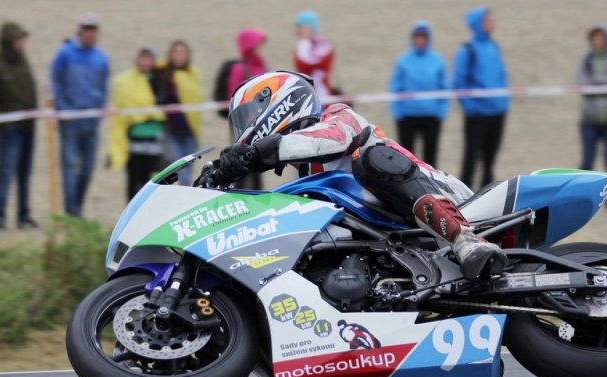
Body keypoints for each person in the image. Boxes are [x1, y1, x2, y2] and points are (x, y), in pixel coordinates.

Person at [198, 71, 508, 281]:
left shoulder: (338, 116)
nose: (244, 129)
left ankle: (465, 240)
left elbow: (332, 138)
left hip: (452, 200)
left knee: (370, 160)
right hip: (397, 233)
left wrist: (258, 153)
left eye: (246, 117)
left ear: (278, 104)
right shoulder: (307, 174)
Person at [0, 22, 38, 230]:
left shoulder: (23, 61)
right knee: (5, 172)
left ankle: (23, 214)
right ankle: (0, 215)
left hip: (28, 126)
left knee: (24, 173)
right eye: (18, 39)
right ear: (8, 41)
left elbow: (30, 88)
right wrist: (2, 123)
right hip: (9, 129)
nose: (21, 43)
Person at [51, 13, 110, 217]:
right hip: (70, 120)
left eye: (93, 30)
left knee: (88, 168)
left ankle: (78, 205)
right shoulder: (65, 54)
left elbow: (103, 88)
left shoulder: (102, 58)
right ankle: (71, 209)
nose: (90, 34)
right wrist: (62, 108)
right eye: (87, 30)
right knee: (69, 165)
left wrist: (99, 113)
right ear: (80, 31)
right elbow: (56, 82)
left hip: (91, 121)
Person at [452, 7, 509, 190]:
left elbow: (501, 76)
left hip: (497, 112)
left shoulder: (494, 46)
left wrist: (503, 101)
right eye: (487, 20)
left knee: (489, 162)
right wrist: (471, 108)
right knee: (471, 159)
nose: (492, 23)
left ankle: (489, 197)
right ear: (478, 24)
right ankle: (463, 197)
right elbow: (459, 82)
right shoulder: (467, 50)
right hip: (478, 114)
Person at [576, 24, 607, 212]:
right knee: (587, 163)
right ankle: (581, 201)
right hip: (589, 120)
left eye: (601, 38)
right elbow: (582, 82)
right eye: (595, 38)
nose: (598, 41)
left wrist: (596, 82)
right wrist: (606, 83)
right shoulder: (586, 60)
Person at [389, 21, 449, 168]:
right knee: (406, 157)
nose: (420, 40)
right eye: (417, 37)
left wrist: (441, 111)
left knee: (431, 156)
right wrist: (398, 112)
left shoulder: (437, 60)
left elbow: (444, 87)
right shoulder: (403, 60)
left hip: (431, 115)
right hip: (408, 116)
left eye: (423, 37)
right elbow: (396, 87)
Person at [109, 47, 166, 202]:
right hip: (135, 136)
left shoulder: (158, 80)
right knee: (133, 178)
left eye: (148, 58)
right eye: (142, 58)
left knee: (148, 179)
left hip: (153, 136)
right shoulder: (128, 81)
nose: (145, 62)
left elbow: (161, 102)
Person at [154, 40, 203, 186]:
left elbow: (196, 98)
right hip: (172, 131)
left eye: (181, 53)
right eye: (175, 53)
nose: (178, 56)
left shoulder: (192, 74)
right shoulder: (164, 74)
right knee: (181, 172)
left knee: (188, 170)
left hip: (189, 130)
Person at [226, 28, 268, 190]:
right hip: (244, 122)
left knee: (259, 162)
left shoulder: (261, 64)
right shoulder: (239, 68)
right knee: (241, 162)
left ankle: (258, 195)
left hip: (260, 121)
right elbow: (234, 95)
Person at [293, 11, 335, 99]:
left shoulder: (323, 46)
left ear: (309, 27)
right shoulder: (305, 45)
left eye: (300, 27)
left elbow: (309, 62)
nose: (297, 30)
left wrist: (304, 44)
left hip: (320, 92)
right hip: (305, 92)